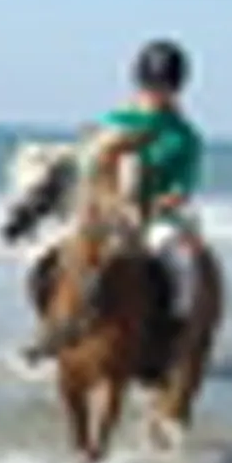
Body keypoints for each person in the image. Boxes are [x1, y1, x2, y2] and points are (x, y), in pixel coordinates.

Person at [83, 38, 206, 328]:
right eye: (152, 85)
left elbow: (183, 186)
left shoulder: (183, 136)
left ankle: (176, 326)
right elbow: (90, 168)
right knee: (56, 256)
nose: (156, 93)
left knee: (180, 262)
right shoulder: (113, 122)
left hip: (157, 215)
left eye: (164, 86)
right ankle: (54, 326)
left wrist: (156, 203)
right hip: (108, 210)